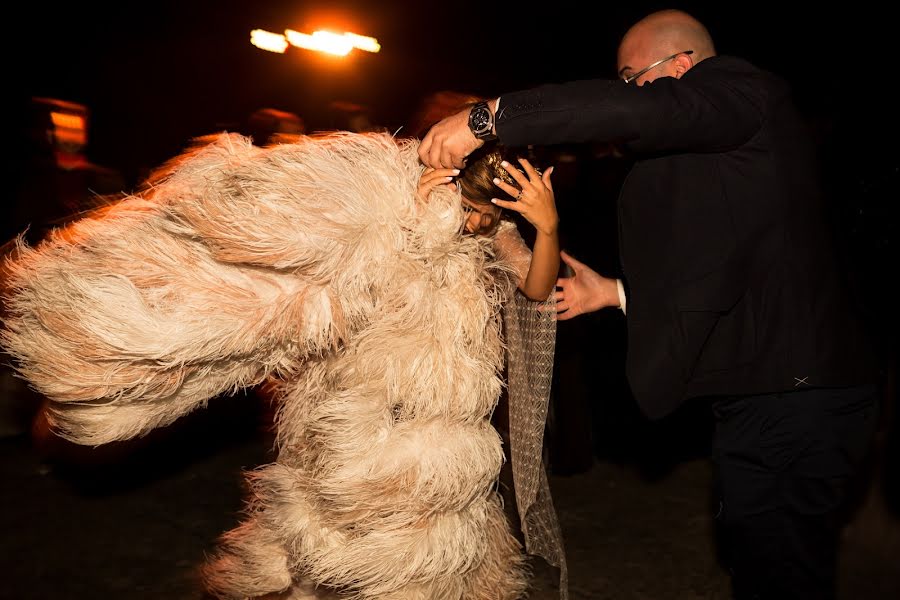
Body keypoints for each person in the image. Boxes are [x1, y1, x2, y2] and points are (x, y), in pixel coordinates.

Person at [419, 8, 881, 600]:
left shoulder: (741, 90)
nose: (628, 96)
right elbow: (732, 257)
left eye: (633, 79)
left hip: (800, 394)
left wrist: (489, 119)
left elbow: (640, 113)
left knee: (782, 570)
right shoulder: (731, 152)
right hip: (768, 392)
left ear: (682, 65)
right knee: (759, 558)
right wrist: (615, 293)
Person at [1, 130, 566, 599]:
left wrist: (547, 227)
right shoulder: (404, 206)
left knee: (423, 558)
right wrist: (423, 211)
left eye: (489, 203)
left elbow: (537, 289)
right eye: (472, 197)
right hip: (365, 403)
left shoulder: (500, 236)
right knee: (328, 533)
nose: (474, 213)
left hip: (448, 426)